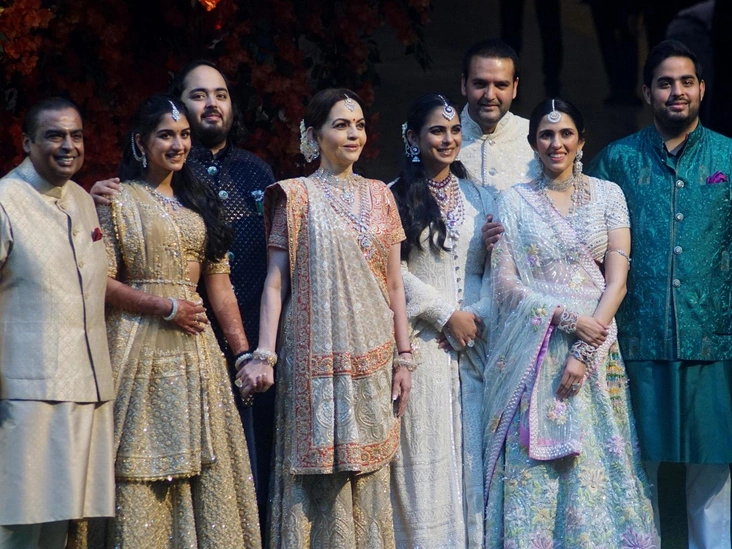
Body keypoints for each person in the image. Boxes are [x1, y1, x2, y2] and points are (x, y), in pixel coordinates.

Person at [92, 60, 276, 527]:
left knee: (208, 465)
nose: (177, 144)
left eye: (183, 136)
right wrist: (165, 306)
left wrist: (243, 353)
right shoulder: (117, 199)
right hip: (136, 346)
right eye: (166, 135)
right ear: (141, 142)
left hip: (199, 351)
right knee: (140, 460)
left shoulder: (202, 202)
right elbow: (98, 280)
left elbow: (220, 284)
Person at [482, 98, 657, 548]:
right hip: (535, 349)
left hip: (595, 346)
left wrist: (583, 346)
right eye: (546, 134)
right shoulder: (514, 201)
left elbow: (616, 282)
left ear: (581, 141)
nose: (556, 143)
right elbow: (505, 285)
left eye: (565, 134)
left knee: (596, 461)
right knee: (535, 467)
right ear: (533, 142)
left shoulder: (608, 195)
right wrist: (563, 318)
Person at [252, 88, 412, 548]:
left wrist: (405, 358)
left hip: (373, 358)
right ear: (313, 135)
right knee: (315, 482)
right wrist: (264, 354)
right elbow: (275, 283)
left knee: (368, 477)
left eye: (359, 125)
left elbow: (394, 284)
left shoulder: (381, 195)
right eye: (341, 125)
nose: (353, 134)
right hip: (313, 362)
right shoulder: (295, 197)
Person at [589, 39, 732, 549]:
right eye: (665, 83)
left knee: (712, 476)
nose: (677, 92)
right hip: (637, 340)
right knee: (634, 472)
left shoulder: (727, 157)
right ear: (647, 92)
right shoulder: (618, 161)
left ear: (702, 89)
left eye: (686, 81)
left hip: (712, 340)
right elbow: (582, 236)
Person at [0, 98, 115, 548]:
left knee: (59, 527)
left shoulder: (83, 200)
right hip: (23, 393)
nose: (69, 145)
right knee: (15, 524)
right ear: (27, 143)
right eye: (55, 135)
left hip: (85, 388)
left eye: (76, 135)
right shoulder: (6, 200)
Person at [390, 93, 495, 548]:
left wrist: (475, 317)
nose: (449, 139)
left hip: (477, 343)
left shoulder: (482, 196)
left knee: (477, 458)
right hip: (425, 344)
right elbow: (392, 273)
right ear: (413, 138)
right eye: (437, 131)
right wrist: (445, 314)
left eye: (454, 130)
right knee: (426, 461)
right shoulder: (392, 196)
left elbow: (500, 268)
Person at [459, 39, 540, 193]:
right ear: (464, 84)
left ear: (515, 87)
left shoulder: (538, 137)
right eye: (480, 84)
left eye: (501, 85)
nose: (490, 95)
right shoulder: (442, 140)